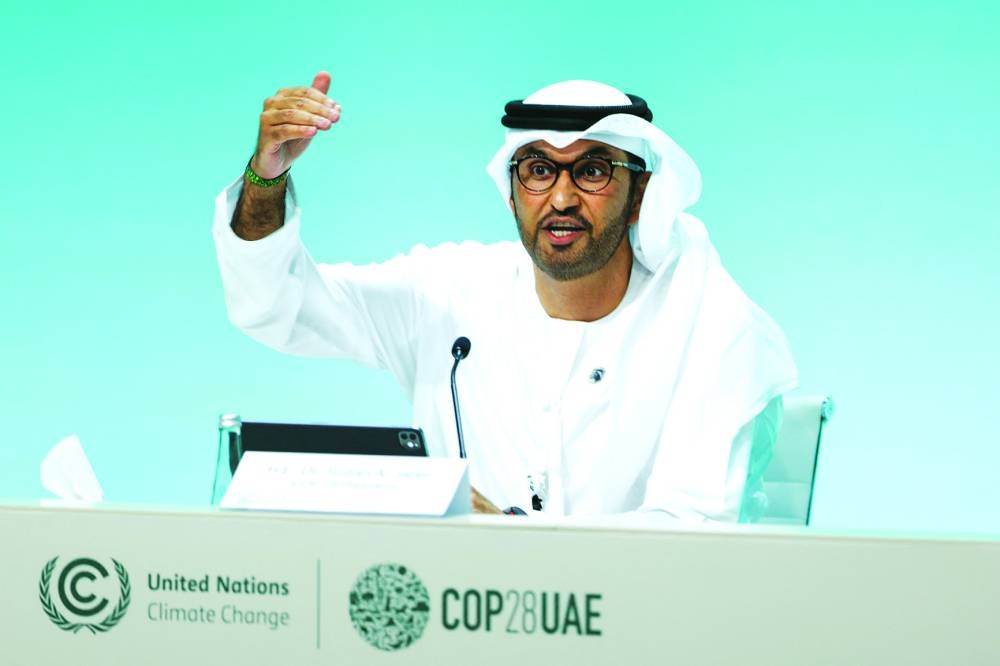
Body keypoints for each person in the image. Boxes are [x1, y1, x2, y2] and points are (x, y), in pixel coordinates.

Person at [213, 72, 798, 523]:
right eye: (539, 169)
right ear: (512, 190)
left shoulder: (714, 326)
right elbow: (275, 305)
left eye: (592, 171)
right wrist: (267, 178)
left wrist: (513, 546)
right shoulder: (449, 294)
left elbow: (692, 536)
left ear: (640, 191)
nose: (562, 198)